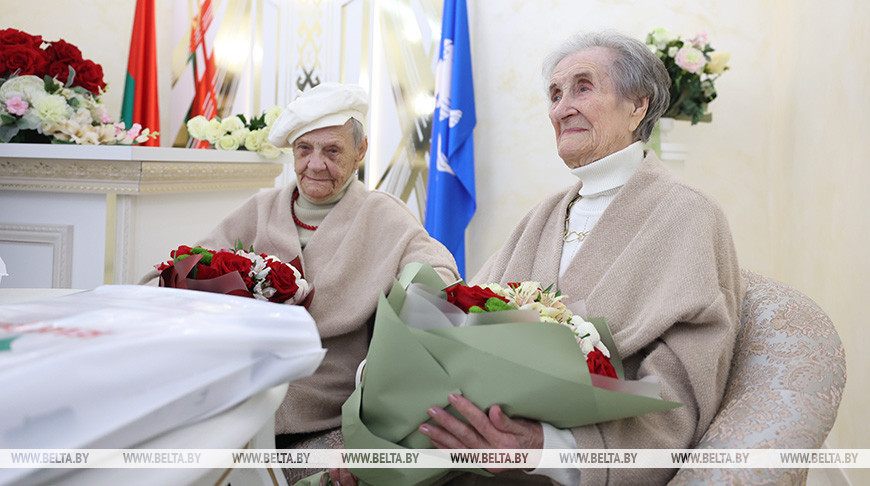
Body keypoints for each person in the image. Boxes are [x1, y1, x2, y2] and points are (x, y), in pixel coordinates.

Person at [413, 31, 745, 486]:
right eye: (555, 93)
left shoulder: (689, 214)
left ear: (637, 107)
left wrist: (544, 448)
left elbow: (685, 385)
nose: (561, 107)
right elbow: (463, 317)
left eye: (582, 88)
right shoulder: (542, 214)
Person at [193, 83, 460, 481]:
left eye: (332, 151)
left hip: (329, 420)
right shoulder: (259, 209)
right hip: (238, 408)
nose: (315, 165)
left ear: (360, 153)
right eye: (304, 150)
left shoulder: (383, 216)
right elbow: (180, 270)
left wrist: (410, 303)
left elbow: (439, 277)